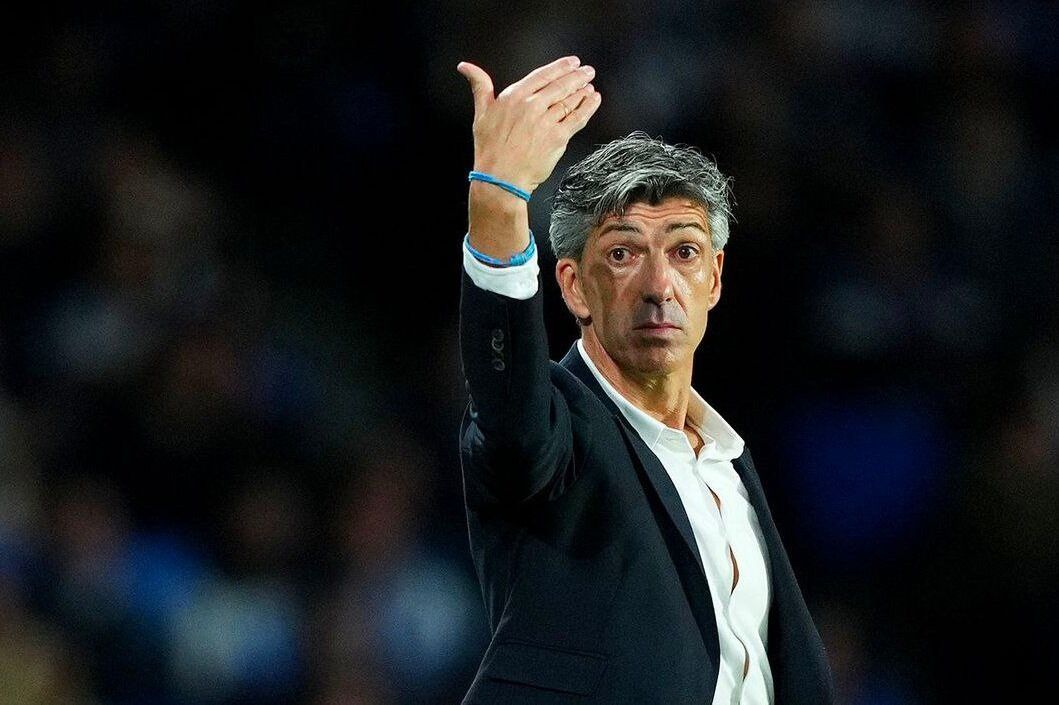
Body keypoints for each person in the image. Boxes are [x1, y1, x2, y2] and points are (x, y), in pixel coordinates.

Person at [454, 55, 834, 704]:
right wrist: (498, 200)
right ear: (574, 286)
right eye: (623, 253)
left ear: (713, 279)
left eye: (683, 252)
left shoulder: (729, 462)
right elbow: (510, 407)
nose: (659, 286)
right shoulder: (554, 428)